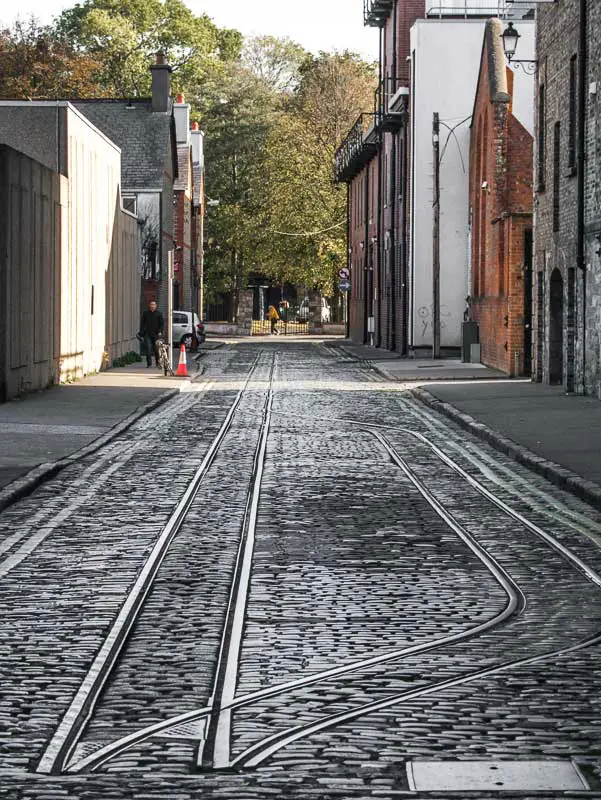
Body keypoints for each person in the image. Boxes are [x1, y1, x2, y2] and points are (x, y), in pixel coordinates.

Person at [139, 300, 164, 367]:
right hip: (147, 334)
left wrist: (160, 331)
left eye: (154, 305)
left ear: (156, 306)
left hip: (156, 334)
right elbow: (142, 323)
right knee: (148, 349)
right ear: (149, 306)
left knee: (156, 350)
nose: (152, 306)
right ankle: (149, 363)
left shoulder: (159, 314)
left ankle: (157, 363)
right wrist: (142, 332)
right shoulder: (146, 313)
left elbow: (161, 324)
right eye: (151, 304)